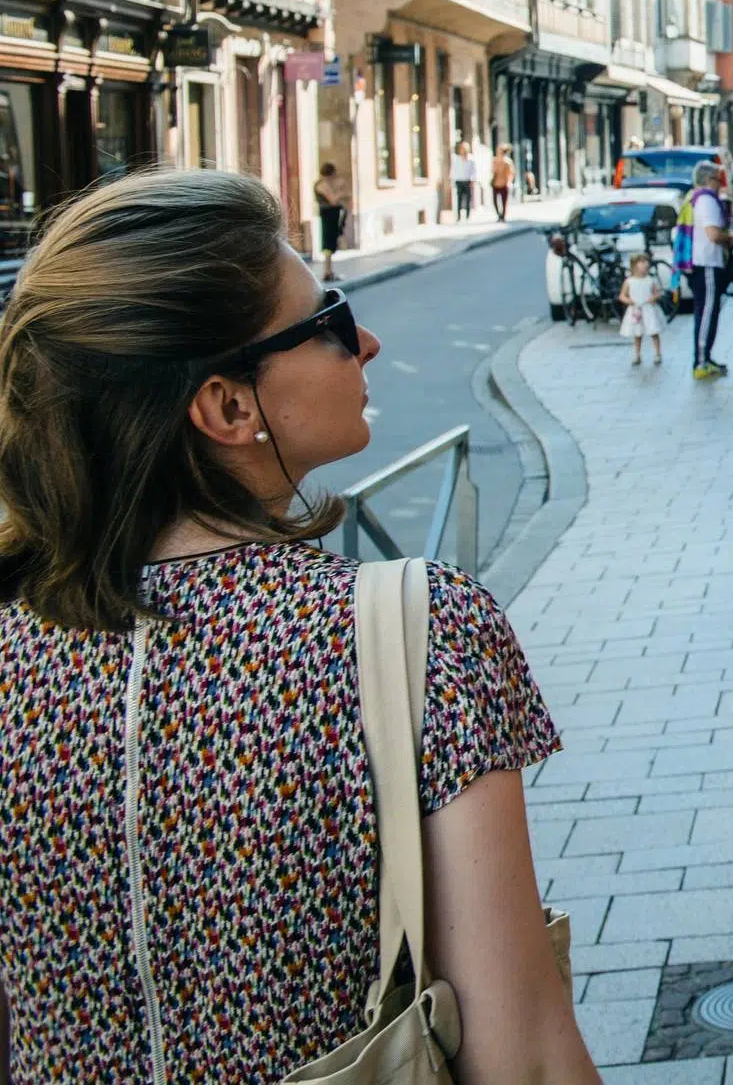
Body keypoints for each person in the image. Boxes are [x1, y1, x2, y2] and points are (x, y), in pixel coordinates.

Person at [0, 170, 596, 1084]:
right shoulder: (413, 632)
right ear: (229, 407)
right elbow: (522, 1054)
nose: (365, 340)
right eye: (327, 324)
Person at [687, 161, 733, 380]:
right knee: (707, 312)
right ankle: (701, 361)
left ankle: (704, 358)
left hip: (703, 263)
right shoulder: (707, 200)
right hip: (707, 263)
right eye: (719, 180)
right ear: (709, 180)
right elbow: (713, 234)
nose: (721, 184)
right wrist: (731, 237)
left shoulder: (696, 198)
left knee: (706, 311)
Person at [617, 251, 666, 368]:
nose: (646, 264)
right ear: (634, 265)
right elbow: (622, 296)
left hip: (649, 310)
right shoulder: (629, 281)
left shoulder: (650, 280)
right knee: (637, 333)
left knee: (653, 331)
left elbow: (657, 293)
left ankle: (658, 353)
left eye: (646, 261)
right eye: (642, 262)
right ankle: (637, 354)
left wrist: (653, 297)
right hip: (636, 310)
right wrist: (629, 301)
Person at [313, 160, 348, 282]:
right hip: (328, 216)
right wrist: (341, 193)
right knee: (328, 243)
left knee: (331, 243)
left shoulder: (325, 184)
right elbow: (333, 200)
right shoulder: (322, 185)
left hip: (332, 215)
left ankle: (329, 271)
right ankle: (327, 272)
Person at [451, 139, 477, 221]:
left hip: (467, 181)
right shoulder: (456, 159)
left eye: (464, 149)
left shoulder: (471, 159)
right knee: (459, 199)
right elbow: (453, 170)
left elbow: (474, 171)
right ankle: (458, 216)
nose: (463, 150)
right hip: (459, 181)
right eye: (462, 149)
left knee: (468, 199)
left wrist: (472, 180)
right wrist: (452, 180)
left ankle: (467, 215)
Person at [491, 142, 516, 221]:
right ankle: (499, 214)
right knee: (495, 201)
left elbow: (511, 173)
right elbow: (492, 171)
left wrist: (509, 182)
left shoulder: (507, 162)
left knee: (504, 201)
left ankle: (503, 216)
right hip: (495, 183)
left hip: (504, 183)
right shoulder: (494, 160)